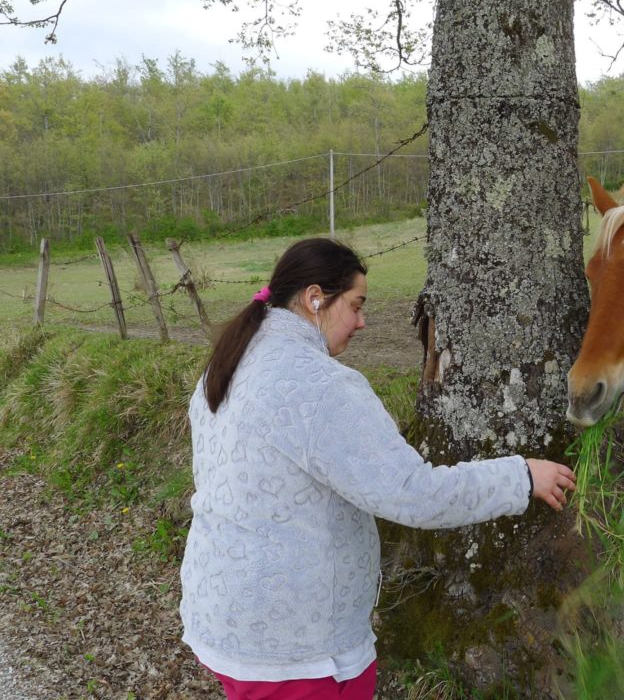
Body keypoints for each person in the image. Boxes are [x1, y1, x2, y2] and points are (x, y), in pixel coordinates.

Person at [179, 237, 577, 700]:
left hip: (224, 617)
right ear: (314, 299)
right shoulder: (322, 386)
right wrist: (521, 476)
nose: (363, 322)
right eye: (356, 304)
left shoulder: (226, 364)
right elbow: (414, 493)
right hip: (294, 650)